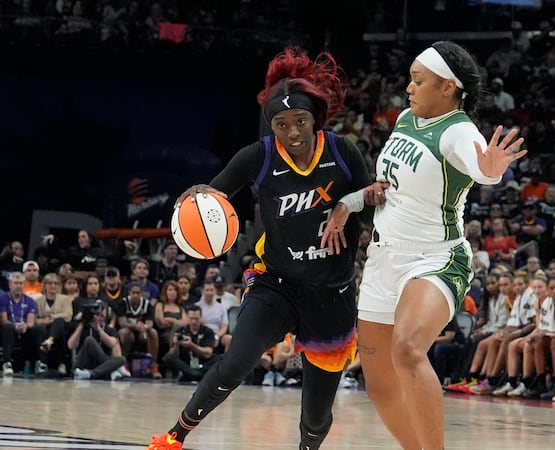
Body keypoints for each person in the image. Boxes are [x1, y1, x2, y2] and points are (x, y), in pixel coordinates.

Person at [146, 46, 387, 450]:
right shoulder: (258, 157)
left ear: (315, 119)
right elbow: (211, 196)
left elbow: (367, 213)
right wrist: (193, 200)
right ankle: (174, 437)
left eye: (300, 121)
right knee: (235, 362)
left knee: (315, 413)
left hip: (333, 293)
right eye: (281, 124)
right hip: (276, 284)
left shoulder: (342, 152)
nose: (292, 132)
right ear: (271, 126)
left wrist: (357, 204)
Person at [321, 40, 526, 450]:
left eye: (418, 80)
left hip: (434, 258)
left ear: (448, 87)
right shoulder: (404, 119)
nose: (409, 88)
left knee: (410, 349)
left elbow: (479, 163)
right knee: (379, 386)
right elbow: (393, 184)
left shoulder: (458, 130)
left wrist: (488, 171)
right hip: (382, 261)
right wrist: (364, 196)